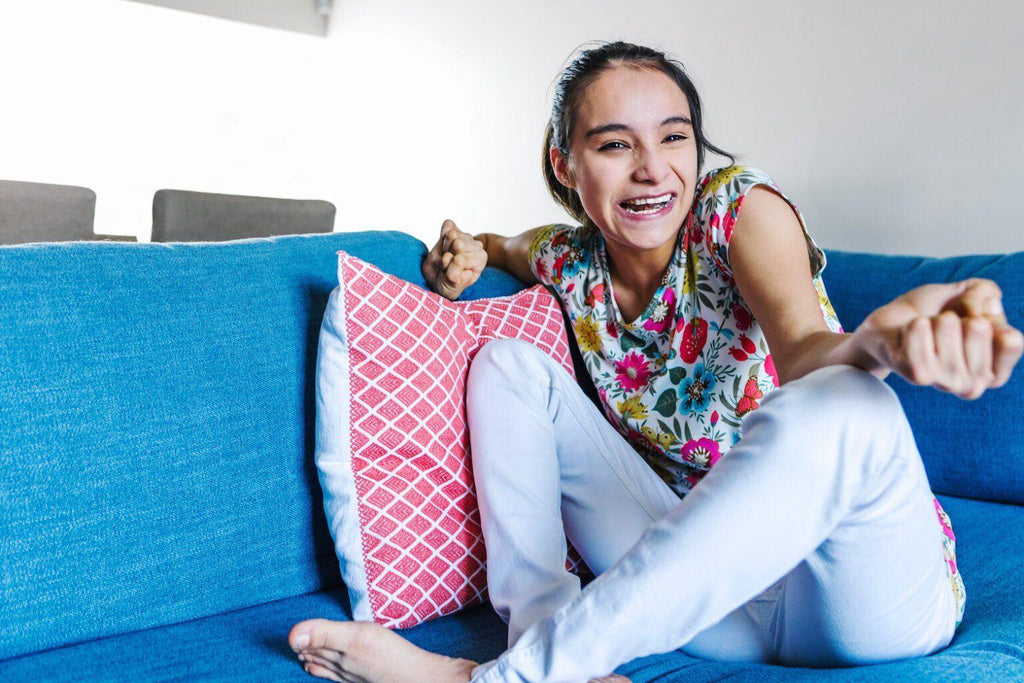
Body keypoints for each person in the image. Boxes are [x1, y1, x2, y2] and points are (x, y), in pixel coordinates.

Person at [288, 41, 1023, 683]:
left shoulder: (738, 210)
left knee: (850, 400)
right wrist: (466, 252)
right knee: (507, 364)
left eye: (673, 137)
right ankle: (549, 644)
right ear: (565, 163)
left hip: (861, 604)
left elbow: (804, 352)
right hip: (708, 607)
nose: (651, 170)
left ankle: (510, 678)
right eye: (613, 145)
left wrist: (879, 344)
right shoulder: (567, 260)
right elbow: (498, 242)